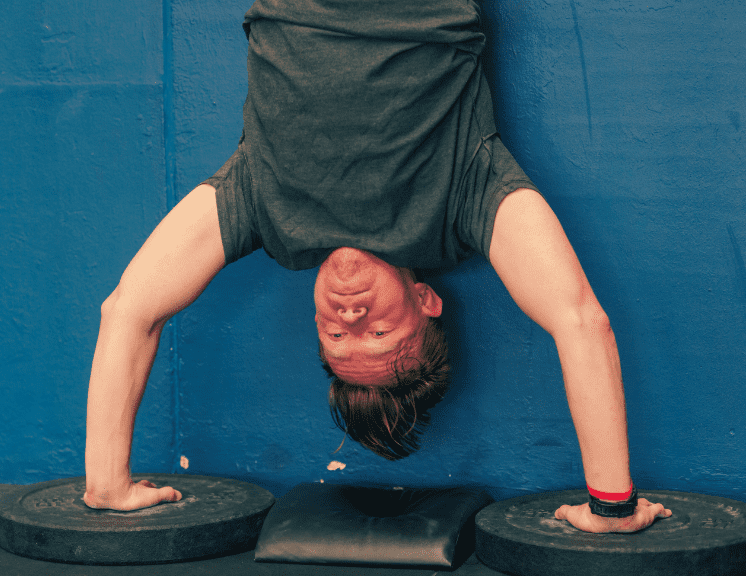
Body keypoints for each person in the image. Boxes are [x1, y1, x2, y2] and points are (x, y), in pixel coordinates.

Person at [83, 0, 671, 534]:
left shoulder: (260, 210)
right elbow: (578, 320)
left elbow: (129, 309)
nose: (351, 314)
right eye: (380, 332)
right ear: (426, 302)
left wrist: (108, 485)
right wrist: (613, 505)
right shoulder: (465, 205)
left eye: (337, 335)